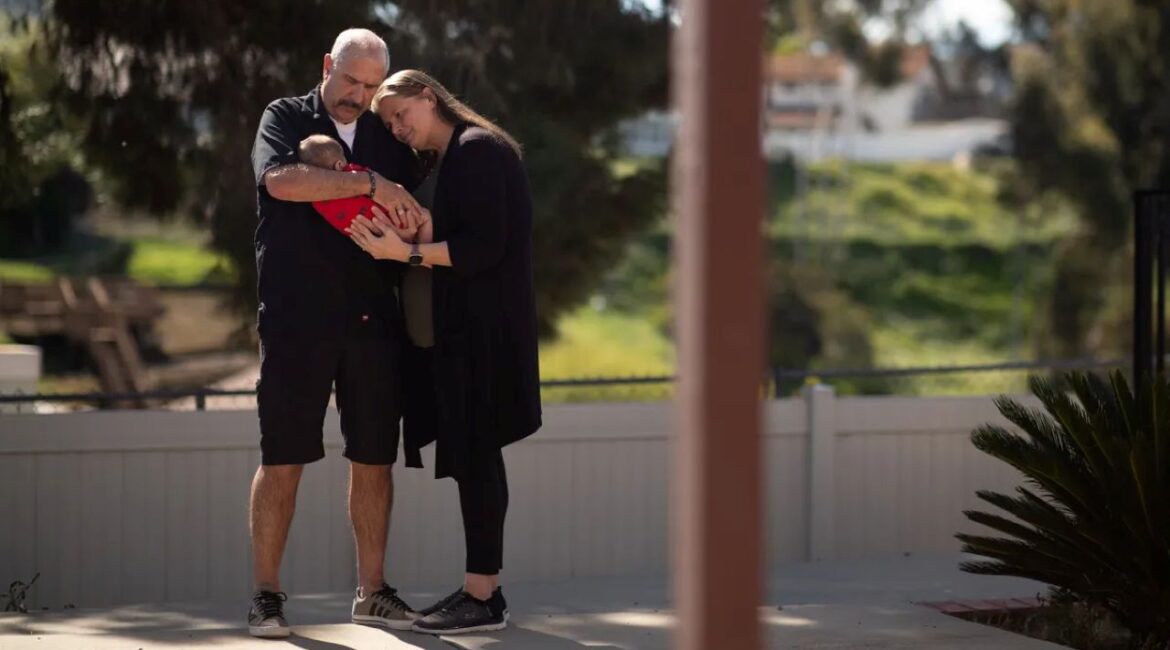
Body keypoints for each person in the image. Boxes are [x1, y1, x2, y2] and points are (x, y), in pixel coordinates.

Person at [346, 69, 542, 635]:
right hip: (457, 338)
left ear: (429, 97)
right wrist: (420, 231)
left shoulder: (479, 149)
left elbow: (484, 247)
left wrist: (400, 254)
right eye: (387, 123)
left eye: (401, 114)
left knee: (477, 459)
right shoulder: (451, 158)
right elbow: (461, 230)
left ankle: (483, 596)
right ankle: (482, 591)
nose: (397, 127)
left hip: (481, 336)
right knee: (471, 460)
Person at [246, 28, 424, 638]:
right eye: (351, 81)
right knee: (283, 458)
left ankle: (372, 593)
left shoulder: (387, 134)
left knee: (374, 459)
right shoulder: (284, 116)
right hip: (296, 318)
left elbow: (415, 213)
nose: (360, 95)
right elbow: (282, 182)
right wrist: (371, 183)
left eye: (372, 86)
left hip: (374, 320)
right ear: (327, 65)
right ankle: (266, 597)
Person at [297, 134, 382, 234]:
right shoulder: (352, 173)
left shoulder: (316, 199)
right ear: (339, 164)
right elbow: (374, 179)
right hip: (385, 218)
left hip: (362, 235)